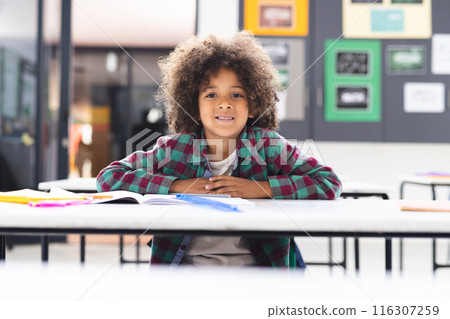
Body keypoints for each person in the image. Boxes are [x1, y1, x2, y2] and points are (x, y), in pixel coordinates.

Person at [96, 31, 342, 268]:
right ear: (194, 107)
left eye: (236, 95)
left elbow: (328, 182)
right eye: (211, 94)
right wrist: (177, 186)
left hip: (258, 274)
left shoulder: (269, 146)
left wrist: (260, 189)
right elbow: (109, 178)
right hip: (183, 272)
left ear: (254, 105)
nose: (224, 103)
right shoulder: (174, 149)